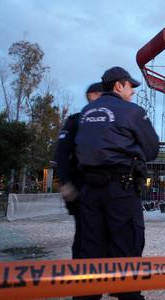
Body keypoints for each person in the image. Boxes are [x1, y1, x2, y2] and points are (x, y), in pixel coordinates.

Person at [75, 66, 159, 300]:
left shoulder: (85, 112)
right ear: (118, 85)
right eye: (130, 86)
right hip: (120, 191)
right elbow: (152, 149)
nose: (132, 91)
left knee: (90, 252)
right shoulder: (131, 111)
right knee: (127, 248)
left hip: (89, 192)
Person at [55, 82, 103, 259]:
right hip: (80, 187)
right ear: (92, 96)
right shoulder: (76, 120)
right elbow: (61, 154)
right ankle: (81, 279)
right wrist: (66, 184)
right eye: (102, 95)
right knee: (84, 236)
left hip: (97, 189)